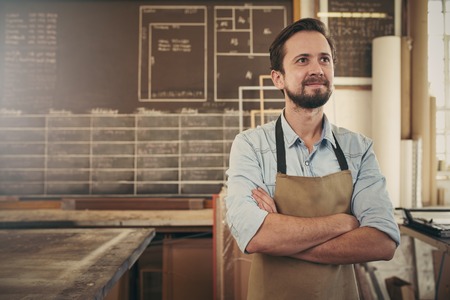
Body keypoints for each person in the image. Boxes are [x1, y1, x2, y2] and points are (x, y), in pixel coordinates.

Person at [225, 18, 401, 300]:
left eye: (324, 59)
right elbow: (256, 236)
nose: (317, 69)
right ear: (278, 78)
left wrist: (283, 235)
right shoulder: (250, 146)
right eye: (302, 60)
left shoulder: (359, 149)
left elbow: (382, 242)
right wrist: (345, 222)